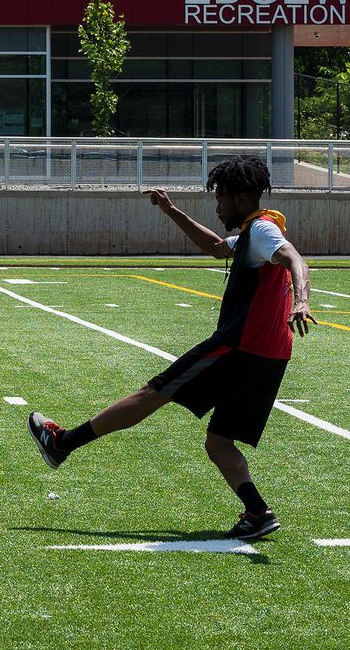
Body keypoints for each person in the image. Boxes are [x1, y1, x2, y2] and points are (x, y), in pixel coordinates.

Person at [26, 155, 313, 540]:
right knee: (218, 442)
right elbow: (215, 247)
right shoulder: (252, 233)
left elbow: (294, 257)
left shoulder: (261, 232)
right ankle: (257, 512)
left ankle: (63, 443)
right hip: (271, 354)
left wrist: (302, 299)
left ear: (242, 197)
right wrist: (171, 210)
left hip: (239, 347)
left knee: (153, 393)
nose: (217, 205)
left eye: (222, 198)